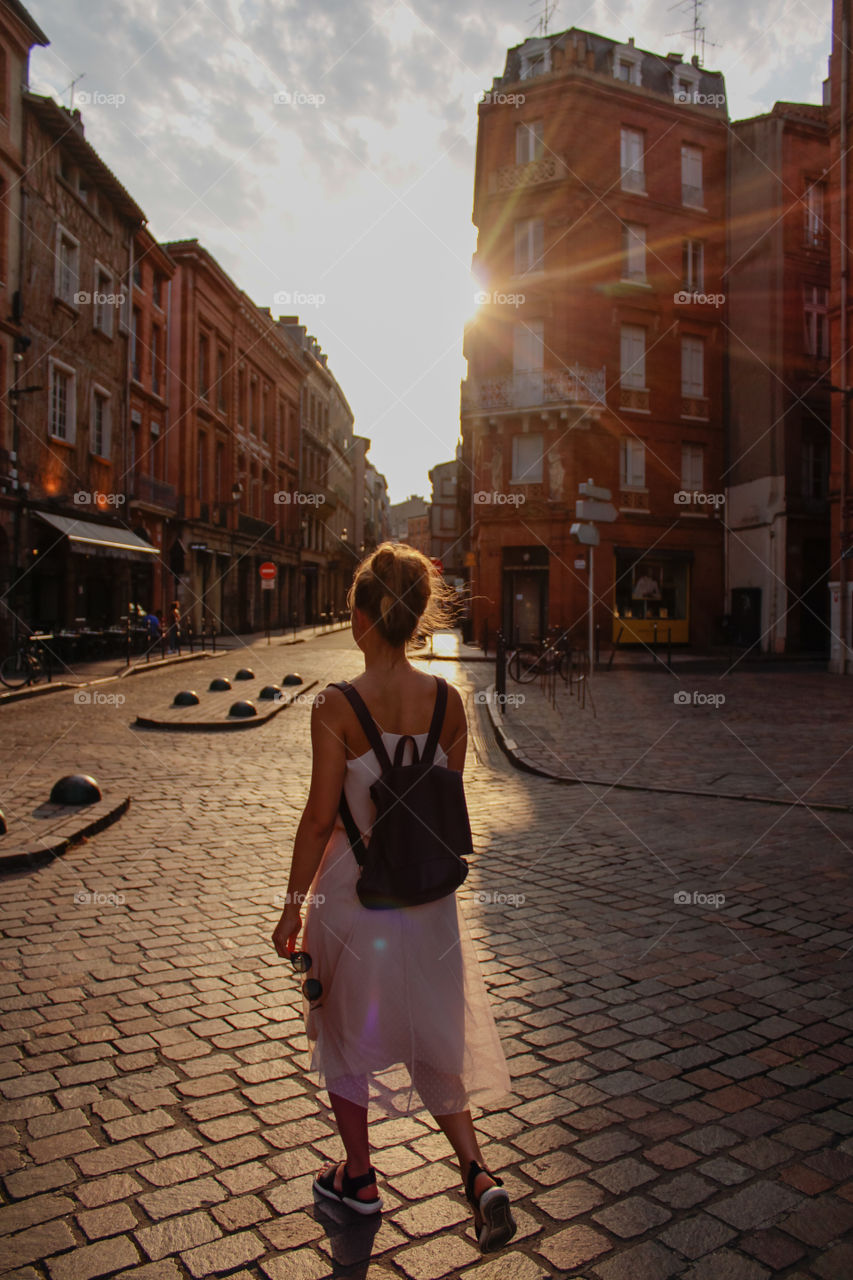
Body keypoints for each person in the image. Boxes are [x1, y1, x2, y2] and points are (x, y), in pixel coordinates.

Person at [272, 542, 516, 1253]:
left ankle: (359, 1177)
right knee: (432, 1035)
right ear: (414, 617)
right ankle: (476, 1173)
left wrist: (292, 906)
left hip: (353, 898)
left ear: (360, 616)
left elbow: (319, 819)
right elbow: (443, 804)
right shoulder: (449, 702)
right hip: (427, 900)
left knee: (342, 1035)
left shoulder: (335, 706)